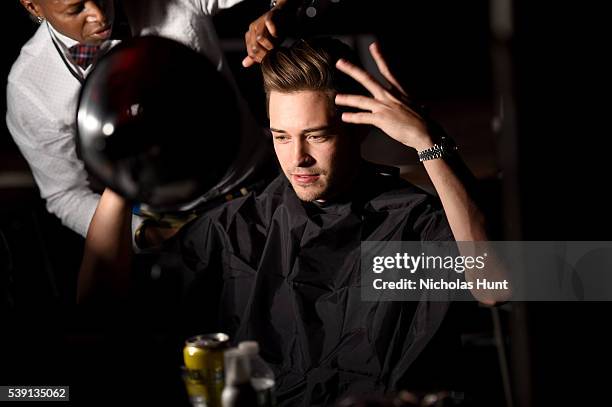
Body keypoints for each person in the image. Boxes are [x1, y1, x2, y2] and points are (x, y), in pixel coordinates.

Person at [78, 38, 501, 404]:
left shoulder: (407, 227)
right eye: (282, 136)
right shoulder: (239, 229)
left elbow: (498, 285)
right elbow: (100, 311)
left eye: (317, 135)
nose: (297, 158)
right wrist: (122, 177)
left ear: (359, 130)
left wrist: (430, 144)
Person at [6, 0, 277, 246]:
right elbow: (65, 193)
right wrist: (146, 234)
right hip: (172, 226)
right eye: (77, 9)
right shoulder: (29, 89)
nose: (100, 16)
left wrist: (279, 9)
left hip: (260, 186)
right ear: (33, 7)